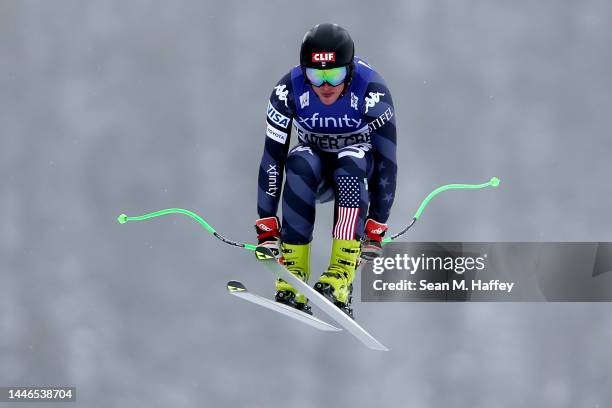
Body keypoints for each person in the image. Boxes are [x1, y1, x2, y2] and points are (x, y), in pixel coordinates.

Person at [254, 23, 397, 317]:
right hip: (315, 174)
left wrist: (376, 225)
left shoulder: (372, 92)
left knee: (350, 160)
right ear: (304, 71)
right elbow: (272, 158)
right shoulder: (286, 92)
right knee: (300, 159)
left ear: (350, 71)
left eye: (334, 75)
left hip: (357, 173)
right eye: (316, 75)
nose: (325, 86)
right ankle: (293, 270)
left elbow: (386, 163)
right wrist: (266, 221)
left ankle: (341, 274)